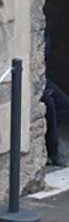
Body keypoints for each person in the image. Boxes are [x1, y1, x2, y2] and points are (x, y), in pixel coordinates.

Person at [42, 33, 69, 168]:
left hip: (43, 78)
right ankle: (52, 151)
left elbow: (45, 53)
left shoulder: (44, 31)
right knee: (49, 104)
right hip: (34, 80)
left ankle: (46, 134)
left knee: (64, 104)